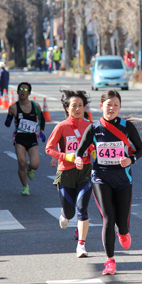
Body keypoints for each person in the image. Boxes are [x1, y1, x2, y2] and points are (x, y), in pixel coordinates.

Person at [75, 90, 142, 275]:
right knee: (108, 218)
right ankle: (110, 261)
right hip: (101, 178)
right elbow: (80, 150)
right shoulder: (94, 128)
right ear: (101, 106)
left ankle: (123, 232)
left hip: (123, 180)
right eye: (108, 105)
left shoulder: (126, 126)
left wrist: (131, 160)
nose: (112, 108)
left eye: (115, 105)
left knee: (121, 223)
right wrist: (78, 159)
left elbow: (140, 149)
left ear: (119, 107)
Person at [46, 90, 94, 258]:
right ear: (67, 108)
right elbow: (49, 148)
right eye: (74, 106)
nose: (78, 109)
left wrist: (93, 151)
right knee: (70, 212)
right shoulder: (61, 127)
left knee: (82, 209)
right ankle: (65, 214)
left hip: (85, 172)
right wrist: (65, 156)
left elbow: (95, 145)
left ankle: (81, 246)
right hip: (64, 173)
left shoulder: (89, 125)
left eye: (81, 105)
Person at [5, 82, 45, 196]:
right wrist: (9, 118)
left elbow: (42, 119)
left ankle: (30, 168)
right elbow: (7, 122)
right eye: (21, 89)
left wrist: (41, 131)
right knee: (21, 162)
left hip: (32, 137)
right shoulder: (13, 107)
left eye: (25, 89)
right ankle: (25, 186)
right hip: (20, 138)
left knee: (35, 165)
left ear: (29, 93)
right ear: (17, 91)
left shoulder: (35, 106)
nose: (23, 91)